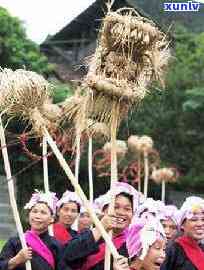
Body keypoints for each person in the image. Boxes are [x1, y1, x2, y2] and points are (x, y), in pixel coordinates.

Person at [60, 182, 140, 270]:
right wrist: (100, 229)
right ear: (104, 211)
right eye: (116, 207)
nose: (121, 212)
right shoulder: (88, 234)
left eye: (127, 209)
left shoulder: (134, 244)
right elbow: (67, 256)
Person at [0, 190, 64, 270]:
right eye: (34, 211)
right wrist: (16, 260)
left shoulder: (56, 246)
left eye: (43, 213)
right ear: (29, 215)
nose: (37, 216)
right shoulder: (15, 242)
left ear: (51, 219)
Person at [161, 196, 204, 270]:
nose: (200, 224)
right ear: (182, 225)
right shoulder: (172, 251)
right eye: (194, 220)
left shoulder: (202, 249)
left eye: (203, 219)